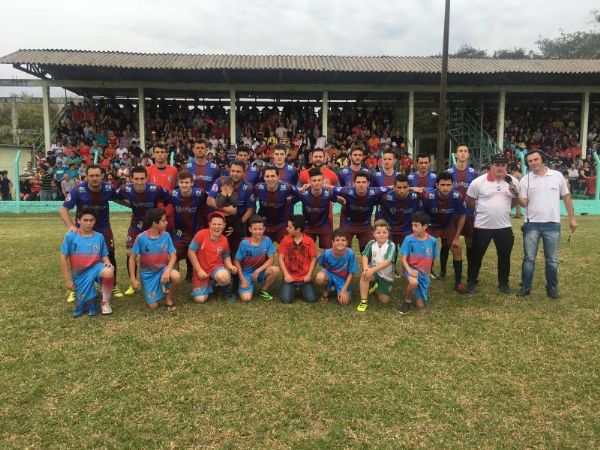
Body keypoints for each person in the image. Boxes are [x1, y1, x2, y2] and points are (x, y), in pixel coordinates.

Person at [515, 150, 577, 299]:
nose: (533, 163)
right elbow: (524, 203)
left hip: (552, 224)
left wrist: (572, 218)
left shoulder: (557, 176)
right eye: (530, 161)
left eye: (536, 159)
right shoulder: (525, 180)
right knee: (529, 258)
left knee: (552, 260)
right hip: (531, 224)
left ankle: (552, 288)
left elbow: (566, 196)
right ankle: (526, 287)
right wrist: (515, 194)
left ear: (543, 159)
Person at [60, 164, 122, 300]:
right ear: (86, 177)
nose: (94, 178)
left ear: (102, 176)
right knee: (78, 258)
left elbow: (118, 198)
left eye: (97, 175)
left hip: (103, 228)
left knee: (110, 255)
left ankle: (112, 285)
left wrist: (134, 206)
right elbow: (64, 209)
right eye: (91, 176)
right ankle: (76, 287)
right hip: (83, 228)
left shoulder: (108, 188)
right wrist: (71, 226)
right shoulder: (78, 190)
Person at [465, 154, 519, 295]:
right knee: (476, 256)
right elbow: (469, 200)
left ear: (507, 166)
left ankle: (503, 283)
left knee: (504, 256)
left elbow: (515, 199)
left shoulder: (512, 181)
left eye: (503, 165)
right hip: (482, 226)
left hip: (504, 227)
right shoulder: (479, 182)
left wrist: (506, 210)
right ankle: (471, 281)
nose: (500, 168)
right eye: (497, 165)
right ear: (491, 166)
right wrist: (479, 210)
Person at [116, 166, 168, 295]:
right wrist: (129, 204)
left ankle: (161, 281)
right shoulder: (126, 189)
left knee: (159, 251)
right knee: (130, 252)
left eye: (142, 179)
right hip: (137, 223)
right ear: (131, 179)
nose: (139, 182)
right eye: (136, 179)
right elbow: (114, 196)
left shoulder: (155, 189)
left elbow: (168, 197)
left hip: (153, 223)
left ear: (146, 178)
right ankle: (133, 282)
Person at [59, 207, 114, 318]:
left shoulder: (99, 236)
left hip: (95, 268)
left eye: (91, 220)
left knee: (109, 271)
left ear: (95, 221)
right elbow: (63, 257)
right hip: (79, 274)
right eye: (85, 220)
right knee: (84, 304)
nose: (88, 223)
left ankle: (105, 302)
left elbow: (104, 255)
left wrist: (108, 262)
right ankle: (90, 298)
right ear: (78, 221)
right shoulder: (70, 236)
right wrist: (67, 280)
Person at [421, 172, 466, 293]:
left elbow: (462, 215)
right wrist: (423, 231)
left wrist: (457, 237)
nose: (446, 188)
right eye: (442, 185)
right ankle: (423, 278)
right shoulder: (428, 196)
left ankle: (458, 282)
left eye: (448, 185)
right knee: (426, 251)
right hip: (431, 226)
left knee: (456, 249)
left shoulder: (457, 196)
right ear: (437, 185)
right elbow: (421, 215)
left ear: (453, 185)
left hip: (447, 225)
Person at [129, 208, 181, 311]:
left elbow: (173, 256)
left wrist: (167, 270)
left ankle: (169, 298)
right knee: (153, 306)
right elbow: (132, 258)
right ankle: (159, 287)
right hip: (148, 274)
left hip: (163, 270)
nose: (166, 222)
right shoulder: (141, 238)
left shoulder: (166, 235)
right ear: (155, 223)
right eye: (163, 221)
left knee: (176, 276)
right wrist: (133, 278)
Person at [333, 171, 391, 252]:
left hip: (365, 224)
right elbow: (329, 188)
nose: (361, 185)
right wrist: (337, 198)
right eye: (358, 182)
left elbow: (392, 187)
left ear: (368, 183)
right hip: (348, 223)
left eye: (364, 182)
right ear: (354, 183)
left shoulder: (375, 191)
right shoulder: (347, 190)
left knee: (369, 249)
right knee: (343, 248)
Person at [187, 212, 238, 303]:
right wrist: (199, 270)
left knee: (224, 276)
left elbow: (226, 256)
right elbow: (191, 251)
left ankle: (224, 290)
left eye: (219, 224)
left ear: (224, 225)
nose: (216, 227)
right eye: (214, 224)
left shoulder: (224, 239)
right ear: (209, 224)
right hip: (202, 269)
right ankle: (210, 285)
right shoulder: (200, 234)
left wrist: (230, 266)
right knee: (200, 300)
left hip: (216, 268)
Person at [163, 171, 206, 277]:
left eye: (187, 182)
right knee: (173, 255)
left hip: (196, 231)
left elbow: (209, 202)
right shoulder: (173, 194)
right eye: (181, 182)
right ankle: (173, 278)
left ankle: (196, 278)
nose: (184, 185)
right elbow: (162, 202)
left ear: (192, 183)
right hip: (179, 233)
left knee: (200, 256)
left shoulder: (200, 193)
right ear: (178, 183)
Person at [446, 144, 479, 278]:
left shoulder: (474, 173)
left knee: (470, 241)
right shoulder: (448, 172)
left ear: (468, 154)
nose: (463, 153)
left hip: (469, 213)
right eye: (460, 151)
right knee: (450, 242)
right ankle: (446, 271)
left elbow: (478, 192)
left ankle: (471, 272)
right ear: (456, 154)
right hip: (452, 213)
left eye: (465, 151)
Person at [398, 211, 438, 315]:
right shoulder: (408, 239)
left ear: (425, 226)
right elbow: (403, 258)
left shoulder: (433, 241)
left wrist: (427, 272)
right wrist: (409, 270)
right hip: (411, 269)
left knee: (420, 305)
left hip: (424, 273)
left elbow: (433, 258)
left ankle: (416, 289)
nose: (413, 228)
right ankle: (407, 301)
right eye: (412, 225)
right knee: (413, 283)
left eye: (416, 225)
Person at [234, 215, 281, 302]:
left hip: (260, 271)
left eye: (260, 229)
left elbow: (271, 259)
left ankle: (263, 290)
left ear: (264, 229)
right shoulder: (244, 243)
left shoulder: (267, 240)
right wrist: (242, 278)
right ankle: (245, 285)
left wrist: (258, 271)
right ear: (250, 229)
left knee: (275, 270)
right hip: (246, 273)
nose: (258, 232)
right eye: (255, 229)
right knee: (246, 298)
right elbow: (236, 261)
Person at [298, 167, 345, 249]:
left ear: (322, 181)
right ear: (309, 182)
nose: (317, 183)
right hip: (308, 226)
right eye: (314, 180)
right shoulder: (303, 193)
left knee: (328, 250)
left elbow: (342, 201)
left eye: (319, 180)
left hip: (324, 226)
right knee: (305, 249)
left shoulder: (329, 193)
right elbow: (290, 200)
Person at [357, 220, 397, 312]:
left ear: (388, 233)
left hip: (386, 275)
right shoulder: (371, 243)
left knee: (384, 300)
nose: (381, 235)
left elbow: (387, 261)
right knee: (364, 275)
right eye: (378, 233)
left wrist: (372, 270)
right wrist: (366, 268)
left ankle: (376, 285)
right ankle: (363, 301)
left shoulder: (391, 245)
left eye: (384, 232)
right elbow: (365, 256)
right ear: (373, 234)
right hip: (373, 273)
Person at [278, 215, 318, 304]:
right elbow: (280, 258)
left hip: (304, 278)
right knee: (286, 300)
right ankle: (291, 287)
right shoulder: (285, 240)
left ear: (298, 229)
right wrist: (286, 275)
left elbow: (314, 259)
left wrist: (309, 275)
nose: (287, 228)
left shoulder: (309, 241)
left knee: (312, 299)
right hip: (290, 277)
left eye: (290, 227)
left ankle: (301, 287)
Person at [254, 165, 298, 243]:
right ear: (263, 178)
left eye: (273, 176)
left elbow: (299, 195)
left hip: (282, 224)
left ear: (278, 177)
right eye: (267, 176)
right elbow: (251, 201)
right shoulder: (258, 188)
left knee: (288, 246)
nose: (270, 179)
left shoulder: (287, 187)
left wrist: (291, 200)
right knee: (262, 248)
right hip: (265, 224)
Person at [315, 228, 358, 305]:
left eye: (343, 240)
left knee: (344, 302)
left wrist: (344, 290)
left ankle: (339, 287)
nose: (340, 242)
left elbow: (351, 273)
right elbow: (322, 264)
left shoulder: (350, 254)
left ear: (347, 242)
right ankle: (326, 289)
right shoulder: (327, 253)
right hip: (330, 273)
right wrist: (328, 274)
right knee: (319, 278)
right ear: (332, 242)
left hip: (342, 278)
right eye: (337, 240)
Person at [378, 174, 422, 247]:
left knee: (408, 253)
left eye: (405, 187)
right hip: (390, 230)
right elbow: (380, 216)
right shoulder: (386, 198)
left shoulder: (415, 197)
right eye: (399, 187)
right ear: (394, 187)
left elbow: (419, 215)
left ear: (409, 187)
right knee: (389, 252)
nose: (402, 190)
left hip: (407, 230)